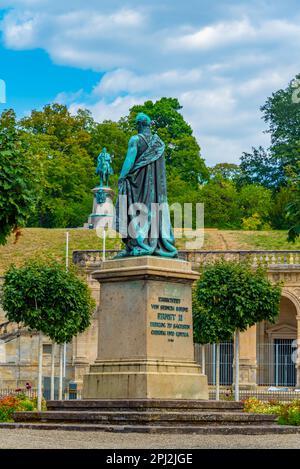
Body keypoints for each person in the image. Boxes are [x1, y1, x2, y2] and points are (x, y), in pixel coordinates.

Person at [115, 112, 177, 258]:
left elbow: (129, 161)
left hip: (138, 185)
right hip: (155, 190)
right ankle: (152, 243)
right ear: (149, 125)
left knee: (134, 211)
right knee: (150, 212)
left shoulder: (135, 140)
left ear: (139, 125)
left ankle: (137, 244)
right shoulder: (159, 144)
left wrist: (122, 177)